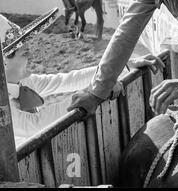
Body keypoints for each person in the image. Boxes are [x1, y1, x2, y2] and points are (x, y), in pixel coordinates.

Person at [0, 10, 124, 147]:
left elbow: (67, 80)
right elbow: (33, 124)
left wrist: (120, 66)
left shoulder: (24, 81)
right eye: (24, 53)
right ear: (4, 62)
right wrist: (93, 92)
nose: (30, 57)